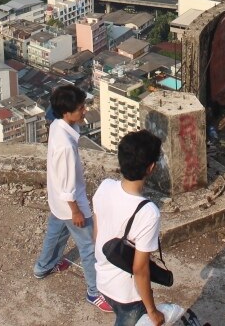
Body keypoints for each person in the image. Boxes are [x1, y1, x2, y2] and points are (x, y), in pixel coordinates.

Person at [33, 85, 113, 314]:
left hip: (57, 200)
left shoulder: (58, 126)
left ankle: (43, 267)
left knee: (55, 233)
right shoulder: (66, 147)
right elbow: (69, 187)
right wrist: (77, 212)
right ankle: (94, 292)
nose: (85, 111)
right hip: (70, 204)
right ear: (67, 113)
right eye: (80, 108)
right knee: (88, 247)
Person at [93, 130, 167, 326]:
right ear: (150, 168)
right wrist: (152, 311)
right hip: (127, 293)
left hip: (103, 277)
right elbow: (140, 268)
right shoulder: (148, 212)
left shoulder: (105, 186)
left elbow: (97, 233)